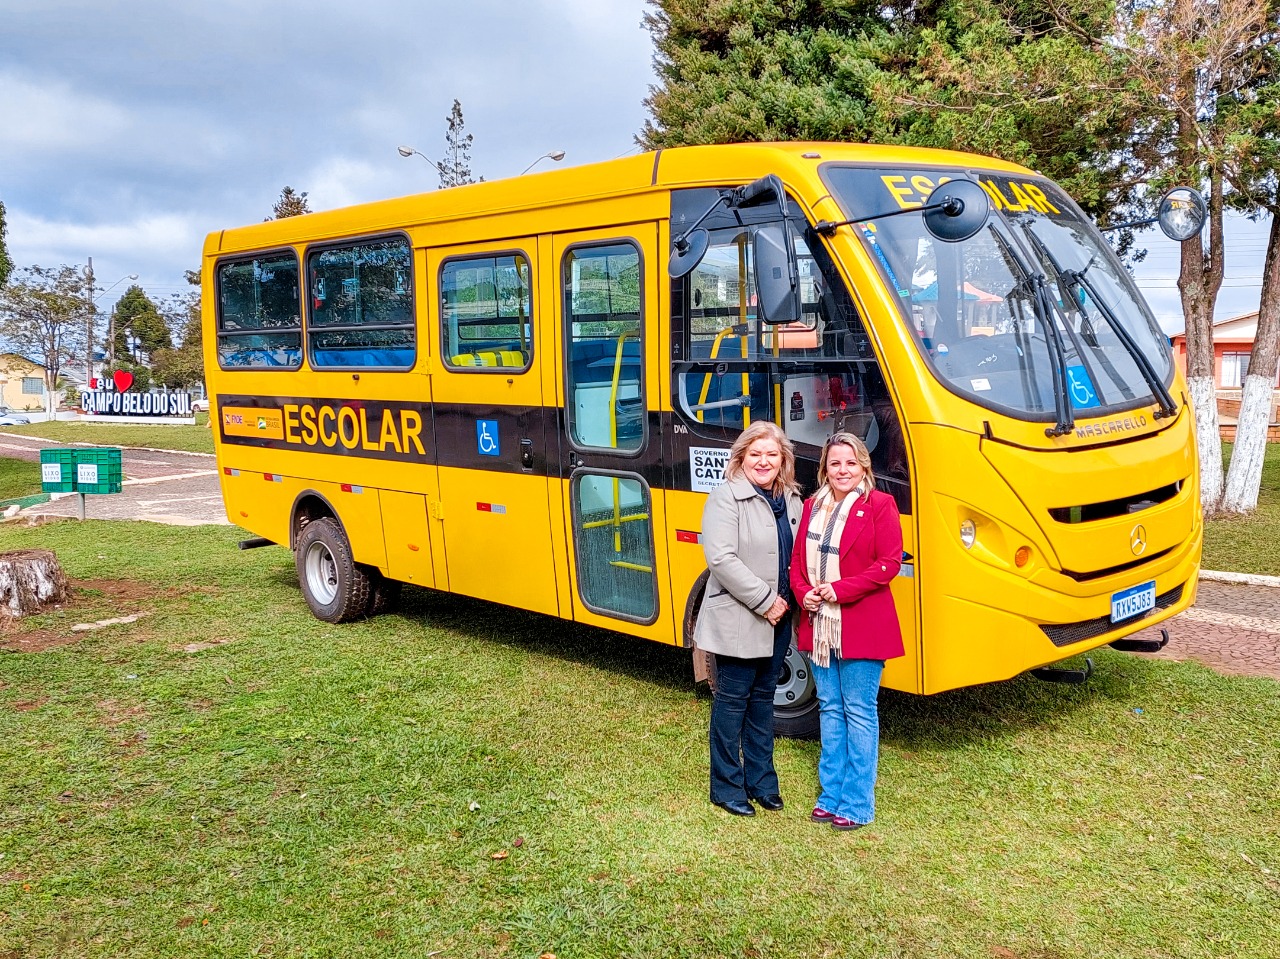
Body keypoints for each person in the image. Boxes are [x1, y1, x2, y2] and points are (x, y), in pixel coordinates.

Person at [789, 431, 903, 831]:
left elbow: (888, 564)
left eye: (851, 462)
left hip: (862, 624)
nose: (843, 470)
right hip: (819, 623)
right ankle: (830, 794)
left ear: (864, 466)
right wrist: (805, 594)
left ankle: (857, 803)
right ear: (824, 468)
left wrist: (837, 590)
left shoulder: (880, 505)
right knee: (830, 709)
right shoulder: (810, 506)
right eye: (835, 463)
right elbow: (797, 562)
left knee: (858, 711)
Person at [695, 420, 803, 817]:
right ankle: (726, 787)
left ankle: (761, 783)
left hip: (778, 618)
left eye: (771, 454)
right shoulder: (726, 498)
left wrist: (790, 598)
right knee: (732, 702)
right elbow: (721, 559)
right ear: (741, 457)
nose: (763, 461)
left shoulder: (791, 499)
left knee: (762, 702)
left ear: (783, 460)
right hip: (742, 617)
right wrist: (766, 600)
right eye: (755, 454)